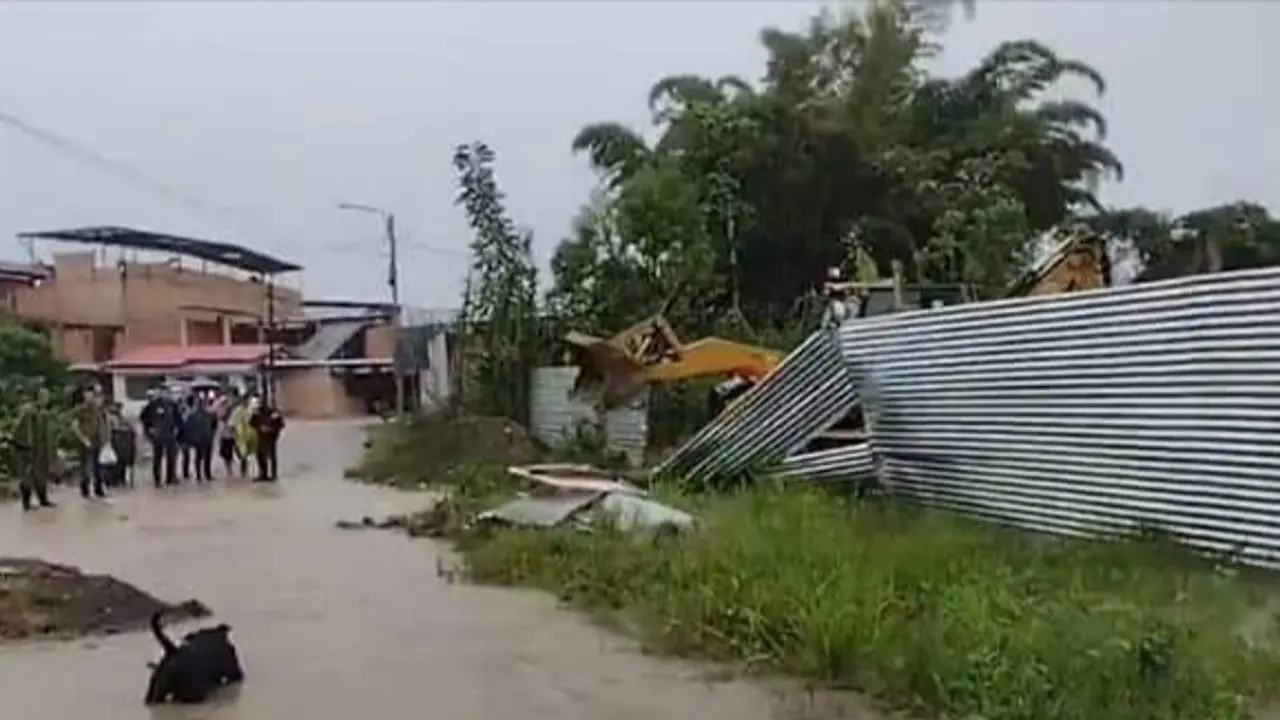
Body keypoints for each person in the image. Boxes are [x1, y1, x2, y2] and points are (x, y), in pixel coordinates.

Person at [13, 388, 57, 511]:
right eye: (44, 396)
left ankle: (43, 499)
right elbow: (22, 429)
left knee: (41, 474)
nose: (46, 399)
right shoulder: (29, 411)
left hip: (41, 449)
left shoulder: (42, 412)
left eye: (47, 396)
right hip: (29, 448)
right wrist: (26, 445)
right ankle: (26, 503)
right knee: (27, 476)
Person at [70, 386, 110, 499]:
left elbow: (102, 423)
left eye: (91, 395)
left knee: (98, 466)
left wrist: (105, 438)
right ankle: (85, 489)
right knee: (85, 466)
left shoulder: (98, 409)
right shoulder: (80, 409)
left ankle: (98, 488)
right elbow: (74, 426)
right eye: (87, 395)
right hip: (85, 441)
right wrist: (83, 439)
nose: (90, 397)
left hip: (97, 440)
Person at [140, 387, 182, 487]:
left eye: (166, 392)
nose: (163, 394)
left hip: (170, 434)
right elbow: (143, 417)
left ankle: (170, 477)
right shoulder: (152, 405)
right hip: (157, 435)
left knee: (171, 457)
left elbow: (178, 418)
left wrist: (178, 428)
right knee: (157, 458)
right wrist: (149, 429)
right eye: (161, 392)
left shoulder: (172, 404)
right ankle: (157, 480)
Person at [249, 399, 285, 482]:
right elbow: (251, 423)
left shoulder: (274, 414)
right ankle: (263, 474)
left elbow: (281, 424)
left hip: (271, 438)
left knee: (271, 455)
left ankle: (273, 475)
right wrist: (260, 427)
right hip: (261, 437)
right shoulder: (258, 413)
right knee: (260, 455)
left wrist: (271, 429)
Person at [184, 396, 217, 483]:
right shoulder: (192, 415)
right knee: (199, 457)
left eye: (201, 403)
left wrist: (212, 434)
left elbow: (214, 423)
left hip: (207, 437)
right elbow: (188, 427)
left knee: (207, 457)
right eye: (199, 403)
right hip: (198, 439)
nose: (200, 405)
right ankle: (199, 475)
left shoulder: (208, 414)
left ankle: (207, 474)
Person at [106, 402, 137, 488]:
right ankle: (113, 480)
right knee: (115, 462)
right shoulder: (110, 417)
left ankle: (121, 479)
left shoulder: (121, 417)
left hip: (124, 441)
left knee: (123, 461)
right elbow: (112, 428)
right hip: (116, 440)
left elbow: (129, 427)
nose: (119, 409)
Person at [231, 397, 256, 477]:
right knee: (242, 452)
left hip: (249, 433)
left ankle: (244, 467)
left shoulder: (250, 409)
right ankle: (243, 468)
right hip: (240, 434)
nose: (245, 402)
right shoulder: (238, 410)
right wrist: (234, 430)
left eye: (246, 401)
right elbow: (234, 421)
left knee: (247, 452)